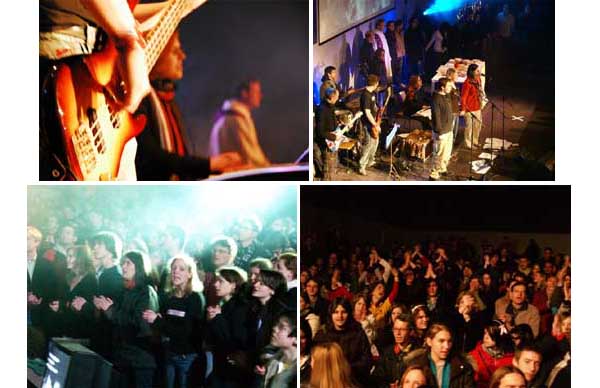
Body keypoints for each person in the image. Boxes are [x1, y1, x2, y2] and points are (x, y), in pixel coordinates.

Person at [135, 31, 242, 180]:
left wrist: (218, 169)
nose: (182, 56)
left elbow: (178, 159)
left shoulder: (168, 99)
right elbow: (150, 156)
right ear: (155, 53)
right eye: (174, 51)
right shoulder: (138, 98)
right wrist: (208, 165)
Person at [95, 250, 159, 388]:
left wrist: (111, 311)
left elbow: (141, 324)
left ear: (139, 266)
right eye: (122, 263)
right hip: (122, 357)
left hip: (139, 360)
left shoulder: (146, 292)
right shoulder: (125, 290)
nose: (123, 267)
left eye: (128, 263)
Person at [142, 255, 205, 388]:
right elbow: (164, 324)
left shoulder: (195, 298)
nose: (176, 271)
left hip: (186, 357)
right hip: (170, 353)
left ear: (190, 274)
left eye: (181, 269)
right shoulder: (168, 296)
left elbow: (185, 331)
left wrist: (157, 321)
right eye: (173, 268)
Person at [206, 266, 253, 387]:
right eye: (216, 281)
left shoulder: (240, 308)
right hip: (221, 365)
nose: (216, 285)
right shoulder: (223, 305)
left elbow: (234, 337)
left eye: (220, 281)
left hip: (231, 369)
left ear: (233, 285)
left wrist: (217, 318)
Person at [209, 79, 271, 169]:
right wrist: (271, 168)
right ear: (244, 93)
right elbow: (252, 156)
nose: (260, 96)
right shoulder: (237, 118)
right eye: (256, 92)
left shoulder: (226, 114)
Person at [314, 297, 372, 386]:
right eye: (336, 312)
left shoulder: (358, 332)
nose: (340, 316)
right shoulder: (323, 334)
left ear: (349, 313)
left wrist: (346, 369)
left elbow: (366, 360)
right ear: (331, 314)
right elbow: (316, 360)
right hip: (327, 381)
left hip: (353, 381)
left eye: (344, 312)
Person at [405, 323, 476, 388]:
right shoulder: (415, 365)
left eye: (449, 341)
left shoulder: (463, 367)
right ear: (429, 341)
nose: (446, 346)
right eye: (441, 341)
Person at [372, 314, 418, 388]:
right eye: (395, 329)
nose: (398, 333)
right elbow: (377, 378)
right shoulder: (387, 353)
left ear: (410, 331)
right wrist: (388, 386)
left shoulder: (417, 354)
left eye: (402, 329)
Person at [470, 321, 514, 388]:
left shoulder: (510, 357)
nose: (486, 337)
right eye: (485, 333)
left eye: (490, 334)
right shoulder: (474, 355)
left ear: (499, 336)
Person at [259, 312, 297, 388]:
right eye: (276, 324)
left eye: (282, 327)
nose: (274, 328)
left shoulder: (296, 371)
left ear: (296, 338)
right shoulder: (274, 361)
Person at [429, 77, 455, 180]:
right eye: (448, 86)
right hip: (441, 131)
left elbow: (453, 93)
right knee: (439, 153)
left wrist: (451, 84)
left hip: (448, 129)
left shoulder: (446, 95)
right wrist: (439, 131)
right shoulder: (436, 99)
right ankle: (434, 173)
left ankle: (442, 168)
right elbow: (436, 116)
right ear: (442, 87)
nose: (450, 88)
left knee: (447, 152)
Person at [315, 87, 340, 181]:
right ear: (332, 97)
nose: (338, 98)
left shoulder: (331, 106)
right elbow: (320, 132)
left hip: (332, 142)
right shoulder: (322, 110)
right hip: (326, 144)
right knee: (328, 172)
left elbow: (331, 125)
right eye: (337, 96)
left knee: (332, 169)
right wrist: (334, 137)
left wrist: (339, 126)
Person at [358, 74, 381, 176]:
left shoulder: (372, 93)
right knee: (369, 144)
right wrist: (375, 124)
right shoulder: (366, 95)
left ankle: (370, 160)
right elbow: (367, 113)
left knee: (375, 142)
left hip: (373, 122)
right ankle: (361, 165)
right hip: (368, 124)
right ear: (376, 83)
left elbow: (373, 107)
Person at [460, 64, 484, 149]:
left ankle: (475, 141)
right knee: (469, 127)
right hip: (469, 108)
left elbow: (480, 91)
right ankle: (468, 143)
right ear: (472, 72)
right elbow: (463, 97)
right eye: (477, 71)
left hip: (477, 106)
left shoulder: (478, 79)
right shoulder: (467, 83)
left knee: (478, 125)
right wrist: (463, 109)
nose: (479, 72)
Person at [445, 68, 461, 143]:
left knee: (455, 129)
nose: (457, 76)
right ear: (451, 76)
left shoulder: (453, 84)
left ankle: (452, 142)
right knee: (451, 129)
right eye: (456, 74)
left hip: (455, 109)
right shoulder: (448, 86)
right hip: (451, 110)